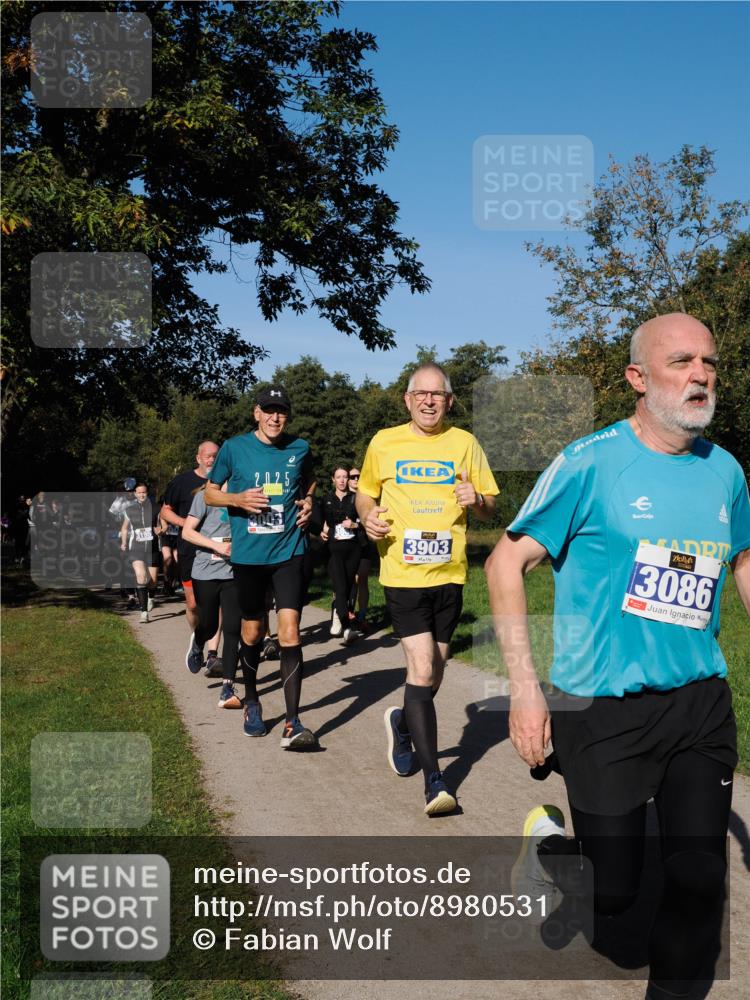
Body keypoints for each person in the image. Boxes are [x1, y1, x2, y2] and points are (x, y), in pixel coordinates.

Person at [484, 313, 750, 999]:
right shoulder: (589, 463)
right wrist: (523, 690)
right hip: (603, 708)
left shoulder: (725, 471)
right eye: (682, 362)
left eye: (709, 363)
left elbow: (743, 562)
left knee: (697, 882)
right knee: (611, 893)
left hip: (698, 703)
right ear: (637, 378)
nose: (701, 376)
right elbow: (506, 562)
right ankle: (550, 846)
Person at [357, 362, 499, 815]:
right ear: (407, 399)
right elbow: (365, 492)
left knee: (435, 672)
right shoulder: (384, 441)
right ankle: (435, 780)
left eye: (438, 394)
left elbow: (491, 507)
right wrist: (367, 516)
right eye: (421, 393)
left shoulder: (465, 444)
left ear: (450, 401)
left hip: (449, 575)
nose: (429, 401)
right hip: (402, 573)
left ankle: (402, 723)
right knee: (420, 669)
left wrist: (476, 500)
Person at [205, 385, 318, 748]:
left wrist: (308, 501)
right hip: (249, 556)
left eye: (281, 411)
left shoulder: (299, 448)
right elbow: (209, 492)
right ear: (256, 413)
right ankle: (252, 701)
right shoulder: (234, 448)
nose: (275, 417)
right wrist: (236, 498)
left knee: (290, 631)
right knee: (252, 633)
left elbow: (310, 479)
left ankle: (292, 722)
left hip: (290, 551)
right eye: (268, 410)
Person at [162, 441, 223, 675]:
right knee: (194, 604)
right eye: (207, 456)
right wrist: (183, 524)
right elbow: (166, 510)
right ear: (198, 458)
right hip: (190, 550)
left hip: (218, 551)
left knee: (215, 601)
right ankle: (198, 636)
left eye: (215, 456)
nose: (211, 460)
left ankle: (213, 654)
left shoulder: (225, 483)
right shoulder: (182, 482)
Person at [181, 485, 243, 709]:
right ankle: (198, 641)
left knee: (233, 628)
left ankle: (227, 688)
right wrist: (216, 545)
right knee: (209, 625)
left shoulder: (243, 495)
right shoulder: (204, 497)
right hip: (206, 571)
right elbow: (187, 532)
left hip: (234, 572)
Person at [321, 464, 363, 644]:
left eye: (345, 477)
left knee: (347, 586)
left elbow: (364, 522)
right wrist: (321, 530)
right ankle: (346, 627)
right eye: (338, 477)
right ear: (333, 479)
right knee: (339, 587)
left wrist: (354, 525)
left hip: (353, 549)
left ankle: (339, 616)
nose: (342, 480)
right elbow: (320, 520)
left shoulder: (356, 499)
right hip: (333, 549)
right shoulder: (326, 499)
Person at [120, 483, 161, 622]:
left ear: (147, 493)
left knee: (153, 581)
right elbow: (125, 528)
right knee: (141, 576)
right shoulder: (129, 509)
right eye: (139, 492)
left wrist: (161, 529)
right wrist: (124, 542)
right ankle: (144, 612)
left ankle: (151, 597)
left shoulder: (156, 507)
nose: (142, 494)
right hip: (136, 547)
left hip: (152, 547)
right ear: (135, 494)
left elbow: (163, 524)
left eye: (144, 492)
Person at [347, 466, 375, 631]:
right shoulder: (343, 497)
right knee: (347, 581)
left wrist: (357, 524)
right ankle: (345, 613)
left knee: (361, 579)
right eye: (353, 477)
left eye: (359, 476)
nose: (356, 479)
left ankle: (362, 616)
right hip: (347, 546)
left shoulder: (368, 497)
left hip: (364, 543)